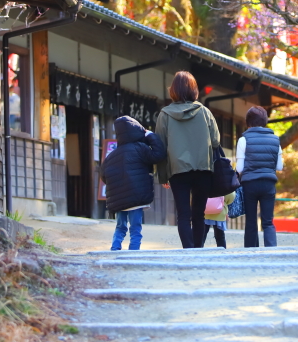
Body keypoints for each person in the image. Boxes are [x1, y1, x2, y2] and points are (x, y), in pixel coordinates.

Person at [155, 71, 221, 248]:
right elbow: (216, 141)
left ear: (173, 90)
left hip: (178, 171)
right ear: (194, 90)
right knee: (198, 214)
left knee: (183, 214)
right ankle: (198, 249)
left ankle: (188, 250)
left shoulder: (165, 115)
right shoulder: (205, 113)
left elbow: (160, 146)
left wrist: (163, 176)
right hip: (203, 169)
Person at [100, 115, 167, 251]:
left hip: (119, 199)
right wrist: (151, 136)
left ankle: (115, 248)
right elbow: (159, 154)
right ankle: (134, 251)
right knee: (135, 227)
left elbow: (103, 176)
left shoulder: (111, 156)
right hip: (137, 197)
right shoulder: (140, 148)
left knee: (120, 226)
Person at [236, 106, 282, 248]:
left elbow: (239, 168)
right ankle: (271, 250)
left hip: (250, 184)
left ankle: (251, 251)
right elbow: (279, 166)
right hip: (269, 184)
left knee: (251, 221)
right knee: (268, 221)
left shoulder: (244, 140)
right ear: (265, 121)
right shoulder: (275, 140)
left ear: (248, 122)